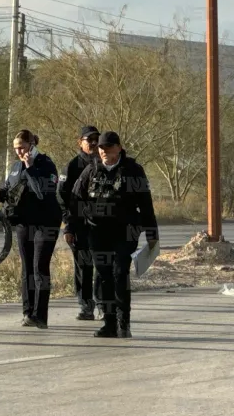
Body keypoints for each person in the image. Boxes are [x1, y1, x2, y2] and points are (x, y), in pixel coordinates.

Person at [69, 131, 159, 338]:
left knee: (119, 273)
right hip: (97, 231)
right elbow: (76, 199)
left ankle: (123, 323)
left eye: (109, 148)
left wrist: (152, 234)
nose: (104, 152)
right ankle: (109, 323)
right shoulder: (91, 170)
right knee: (103, 276)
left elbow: (146, 204)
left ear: (119, 148)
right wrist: (71, 228)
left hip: (125, 231)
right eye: (101, 148)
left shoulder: (133, 170)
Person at [0, 130, 61, 329]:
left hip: (45, 222)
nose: (19, 152)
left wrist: (30, 167)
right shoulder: (15, 166)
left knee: (40, 267)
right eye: (15, 149)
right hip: (24, 222)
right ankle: (28, 312)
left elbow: (42, 192)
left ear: (31, 144)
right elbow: (9, 189)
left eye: (21, 147)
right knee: (27, 268)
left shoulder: (46, 164)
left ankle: (41, 315)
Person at [58, 125, 103, 321]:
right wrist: (68, 225)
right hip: (79, 225)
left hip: (103, 226)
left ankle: (103, 304)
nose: (93, 143)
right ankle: (86, 306)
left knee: (103, 266)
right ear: (80, 142)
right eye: (89, 139)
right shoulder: (72, 166)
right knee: (83, 267)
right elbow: (61, 198)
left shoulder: (106, 163)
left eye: (96, 139)